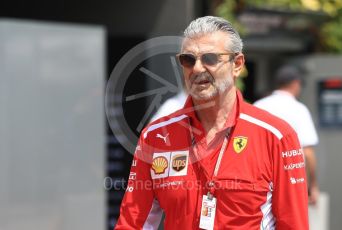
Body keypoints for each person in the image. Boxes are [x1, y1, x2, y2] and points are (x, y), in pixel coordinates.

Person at [115, 16, 309, 229]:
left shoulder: (277, 136)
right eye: (188, 59)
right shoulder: (155, 136)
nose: (197, 69)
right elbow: (133, 223)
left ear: (237, 64)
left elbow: (293, 224)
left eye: (209, 58)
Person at [254, 65, 319, 205]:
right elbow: (308, 153)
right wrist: (312, 185)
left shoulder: (258, 106)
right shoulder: (299, 110)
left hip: (260, 180)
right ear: (295, 84)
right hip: (290, 181)